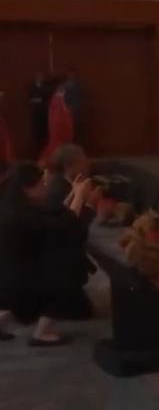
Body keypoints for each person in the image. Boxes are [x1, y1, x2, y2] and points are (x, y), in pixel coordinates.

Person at [0, 162, 95, 344]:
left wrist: (74, 193)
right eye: (42, 183)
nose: (45, 187)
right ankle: (41, 333)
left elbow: (54, 216)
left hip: (10, 276)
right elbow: (65, 225)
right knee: (69, 269)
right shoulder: (19, 214)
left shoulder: (11, 204)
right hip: (18, 282)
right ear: (27, 188)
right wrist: (81, 195)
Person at [27, 74, 50, 158]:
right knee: (37, 136)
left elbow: (47, 98)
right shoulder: (32, 88)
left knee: (45, 135)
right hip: (36, 115)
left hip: (44, 114)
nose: (40, 79)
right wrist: (38, 100)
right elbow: (29, 99)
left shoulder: (45, 87)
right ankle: (37, 155)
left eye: (41, 77)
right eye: (39, 77)